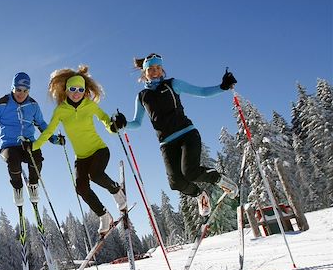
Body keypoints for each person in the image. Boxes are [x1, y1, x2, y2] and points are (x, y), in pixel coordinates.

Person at [114, 53, 238, 217]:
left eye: (158, 68)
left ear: (162, 69)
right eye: (151, 69)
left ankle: (220, 180)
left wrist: (222, 87)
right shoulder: (142, 96)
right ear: (145, 72)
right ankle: (200, 195)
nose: (155, 71)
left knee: (190, 172)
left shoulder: (173, 84)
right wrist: (123, 124)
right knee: (175, 182)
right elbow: (137, 123)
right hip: (166, 143)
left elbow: (201, 92)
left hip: (187, 134)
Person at [31, 65, 127, 235]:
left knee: (96, 175)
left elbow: (105, 120)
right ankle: (104, 215)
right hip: (81, 157)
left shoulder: (89, 105)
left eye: (80, 89)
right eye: (73, 89)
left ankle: (116, 190)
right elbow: (48, 132)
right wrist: (33, 146)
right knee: (81, 188)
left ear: (85, 91)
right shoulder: (61, 110)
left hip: (99, 150)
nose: (76, 92)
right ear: (66, 90)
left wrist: (114, 126)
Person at [0, 72, 64, 207]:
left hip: (28, 143)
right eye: (18, 90)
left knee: (36, 157)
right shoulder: (1, 104)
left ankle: (33, 185)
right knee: (13, 160)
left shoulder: (33, 105)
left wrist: (53, 139)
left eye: (25, 91)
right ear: (12, 88)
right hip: (9, 145)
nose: (21, 93)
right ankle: (17, 187)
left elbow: (41, 124)